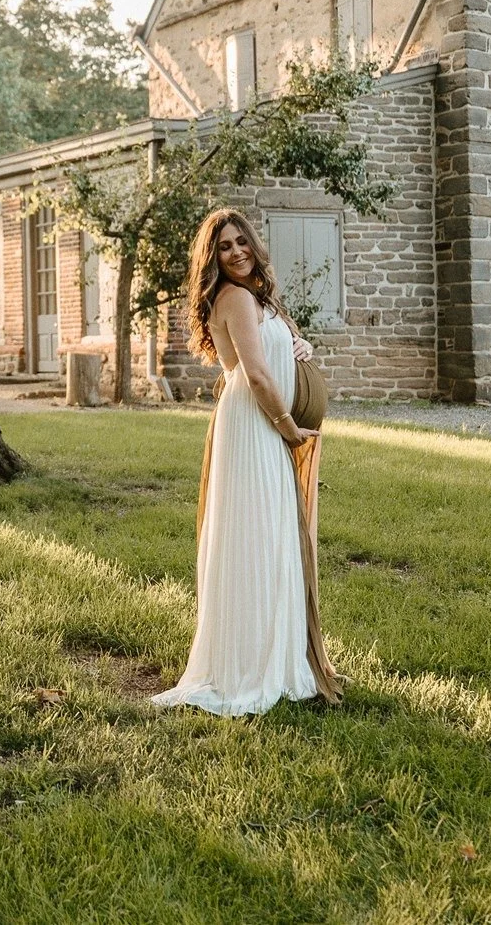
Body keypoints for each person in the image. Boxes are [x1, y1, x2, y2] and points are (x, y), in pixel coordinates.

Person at [151, 206, 344, 716]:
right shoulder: (235, 297)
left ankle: (275, 658)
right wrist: (288, 428)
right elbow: (256, 375)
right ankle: (249, 669)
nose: (235, 252)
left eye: (241, 242)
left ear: (254, 245)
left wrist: (297, 342)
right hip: (256, 423)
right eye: (224, 247)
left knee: (271, 535)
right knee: (257, 537)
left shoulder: (258, 297)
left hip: (260, 421)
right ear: (212, 259)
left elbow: (268, 351)